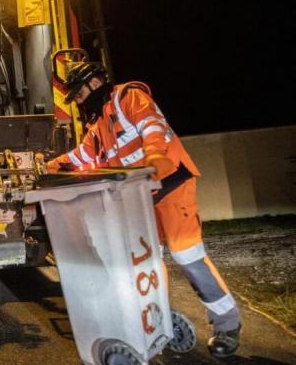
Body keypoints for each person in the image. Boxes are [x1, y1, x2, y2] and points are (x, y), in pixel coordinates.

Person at [46, 62, 241, 358]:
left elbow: (152, 125)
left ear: (95, 83)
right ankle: (158, 320)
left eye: (80, 94)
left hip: (171, 183)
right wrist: (47, 166)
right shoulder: (98, 126)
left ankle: (227, 325)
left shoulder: (129, 97)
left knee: (186, 254)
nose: (80, 101)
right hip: (141, 197)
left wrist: (155, 155)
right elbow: (80, 155)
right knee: (146, 262)